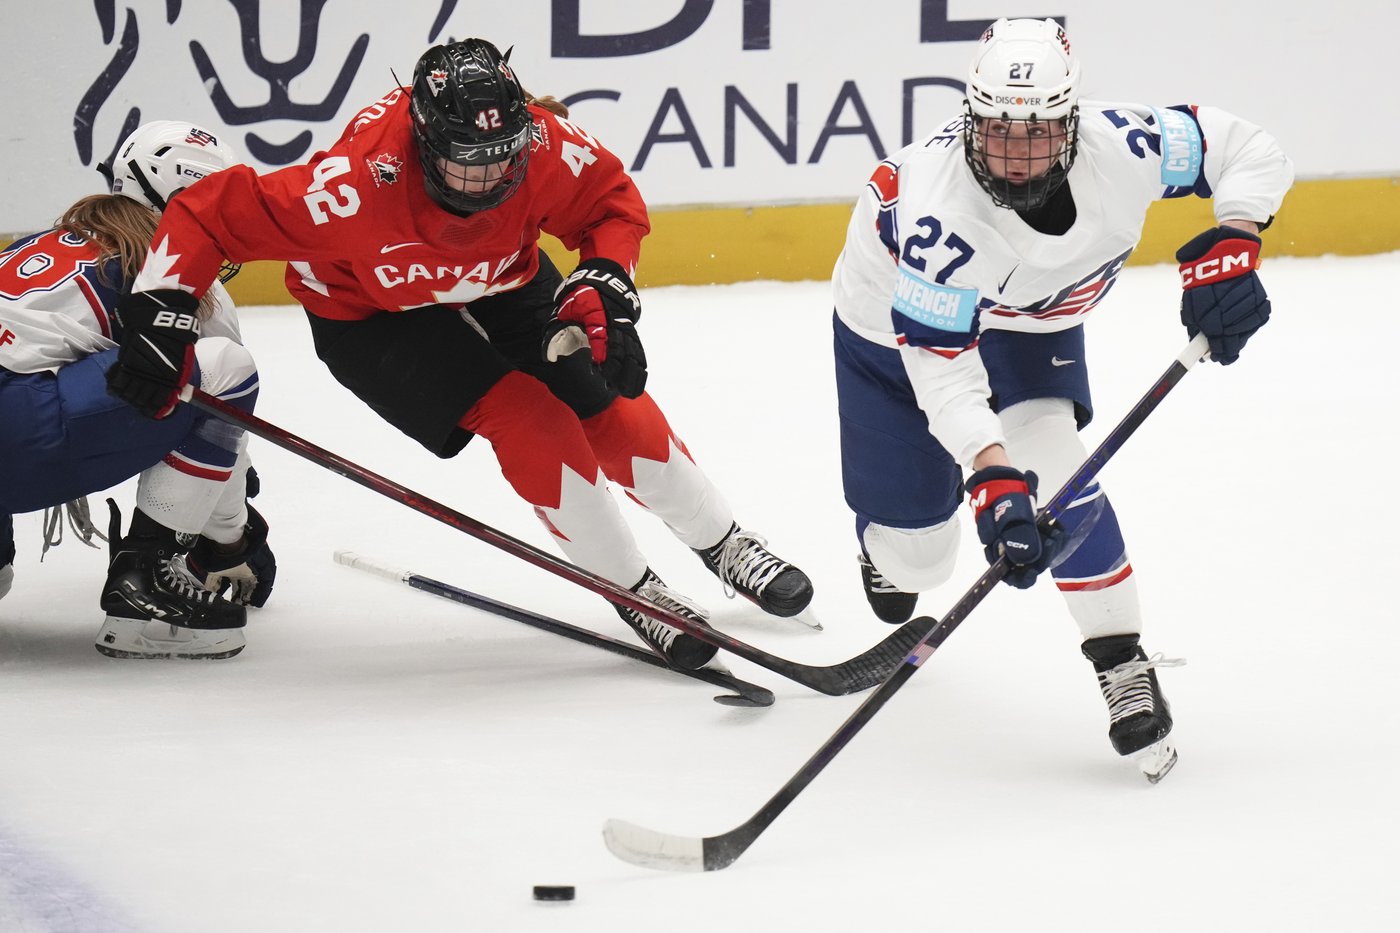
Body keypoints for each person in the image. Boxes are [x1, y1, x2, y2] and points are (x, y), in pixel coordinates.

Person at [103, 38, 813, 672]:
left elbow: (611, 204)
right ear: (420, 141)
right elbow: (206, 212)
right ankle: (634, 590)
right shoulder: (350, 187)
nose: (486, 180)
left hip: (504, 276)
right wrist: (161, 311)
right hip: (372, 314)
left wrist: (605, 279)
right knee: (531, 418)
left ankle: (726, 543)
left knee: (602, 394)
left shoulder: (544, 145)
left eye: (501, 159)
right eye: (464, 163)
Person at [831, 18, 1291, 778]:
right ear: (971, 119)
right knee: (920, 562)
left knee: (1057, 465)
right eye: (997, 130)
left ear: (1073, 123)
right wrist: (988, 474)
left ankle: (1120, 659)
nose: (1015, 154)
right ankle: (891, 548)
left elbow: (1247, 146)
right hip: (894, 330)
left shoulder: (1126, 147)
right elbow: (942, 370)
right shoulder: (939, 219)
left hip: (1032, 322)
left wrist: (1235, 236)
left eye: (1037, 132)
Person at [0, 120, 276, 659]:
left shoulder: (35, 242)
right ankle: (146, 583)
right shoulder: (175, 269)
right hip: (20, 432)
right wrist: (231, 541)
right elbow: (217, 411)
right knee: (224, 368)